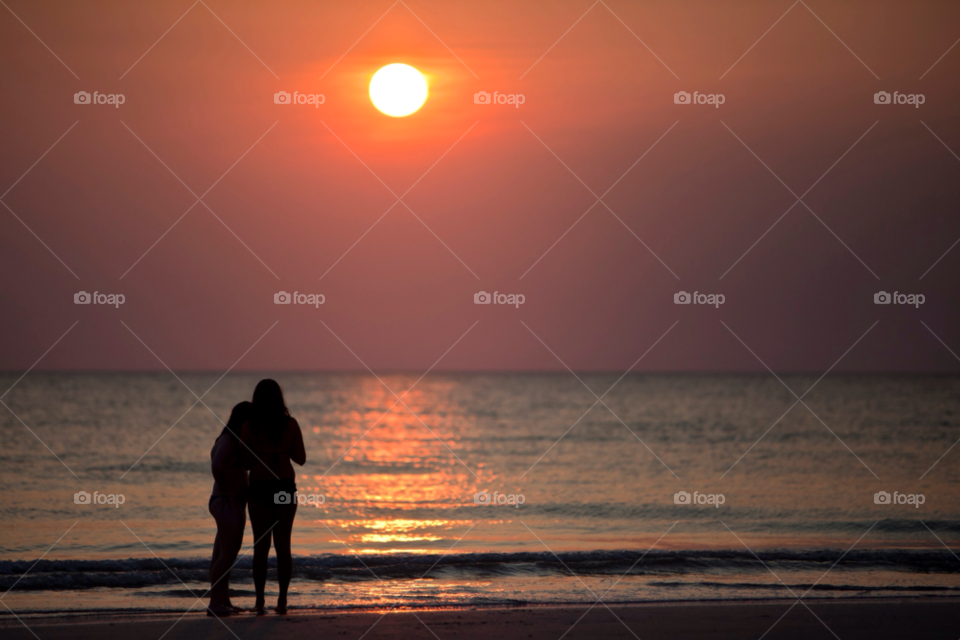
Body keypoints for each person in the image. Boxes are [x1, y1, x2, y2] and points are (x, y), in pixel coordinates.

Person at [241, 379, 306, 615]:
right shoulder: (290, 424)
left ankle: (259, 602)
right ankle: (282, 601)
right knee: (283, 546)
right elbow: (300, 458)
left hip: (259, 488)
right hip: (284, 489)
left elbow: (246, 464)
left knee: (260, 547)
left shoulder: (249, 426)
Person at [208, 401, 253, 617]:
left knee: (221, 554)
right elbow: (216, 465)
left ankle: (223, 600)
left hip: (228, 501)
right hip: (227, 501)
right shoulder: (227, 440)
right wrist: (225, 486)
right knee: (228, 554)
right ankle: (215, 603)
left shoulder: (233, 440)